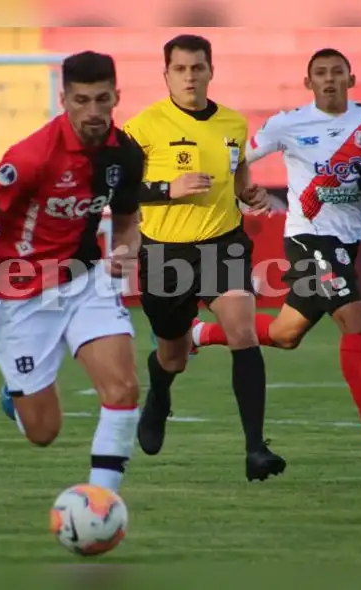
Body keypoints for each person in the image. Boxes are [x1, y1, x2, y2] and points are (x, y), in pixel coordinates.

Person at [0, 51, 145, 494]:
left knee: (123, 390)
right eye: (82, 101)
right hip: (22, 295)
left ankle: (101, 501)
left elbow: (127, 217)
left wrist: (125, 251)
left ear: (117, 95)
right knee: (44, 433)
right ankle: (16, 396)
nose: (94, 112)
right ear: (63, 99)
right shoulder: (33, 156)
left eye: (103, 99)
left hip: (85, 281)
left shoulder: (126, 154)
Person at [192, 48, 361, 458]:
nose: (329, 79)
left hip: (347, 240)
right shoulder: (288, 123)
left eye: (337, 72)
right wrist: (239, 192)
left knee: (286, 334)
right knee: (358, 321)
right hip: (309, 238)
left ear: (351, 79)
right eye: (321, 73)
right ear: (308, 82)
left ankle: (198, 333)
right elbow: (239, 157)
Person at [122, 34, 285, 482]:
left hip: (222, 243)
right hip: (165, 253)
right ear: (166, 75)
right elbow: (117, 189)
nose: (190, 76)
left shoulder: (232, 123)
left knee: (243, 332)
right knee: (172, 356)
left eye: (197, 68)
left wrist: (251, 194)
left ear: (211, 70)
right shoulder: (143, 127)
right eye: (180, 69)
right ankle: (159, 396)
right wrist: (166, 191)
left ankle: (255, 449)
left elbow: (238, 179)